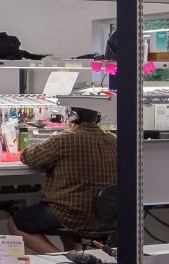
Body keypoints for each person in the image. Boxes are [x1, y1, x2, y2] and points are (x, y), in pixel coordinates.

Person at [10, 106, 116, 254]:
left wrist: (51, 140)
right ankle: (75, 260)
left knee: (15, 223)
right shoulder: (113, 139)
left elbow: (28, 157)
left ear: (72, 117)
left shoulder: (65, 139)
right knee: (68, 226)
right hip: (107, 216)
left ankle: (62, 258)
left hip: (71, 214)